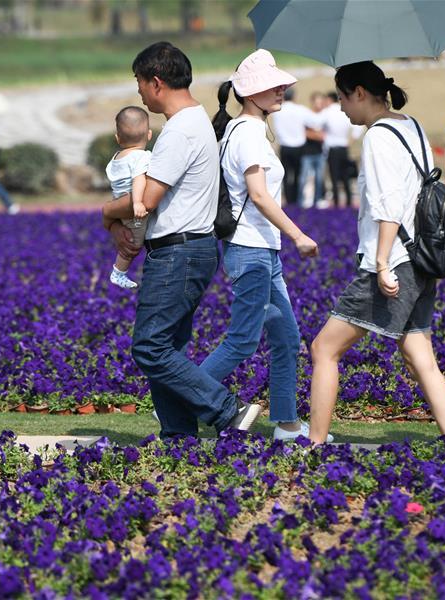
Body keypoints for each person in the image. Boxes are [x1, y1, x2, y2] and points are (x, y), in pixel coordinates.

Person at [306, 61, 445, 459]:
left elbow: (389, 207)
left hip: (394, 260)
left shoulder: (377, 136)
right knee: (420, 357)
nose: (341, 108)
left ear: (359, 92)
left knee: (324, 349)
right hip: (423, 259)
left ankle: (314, 445)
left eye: (342, 98)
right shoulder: (409, 124)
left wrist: (379, 264)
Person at [102, 41, 260, 438]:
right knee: (167, 349)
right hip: (188, 250)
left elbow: (148, 198)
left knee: (149, 348)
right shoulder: (193, 122)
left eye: (139, 83)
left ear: (156, 82)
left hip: (179, 252)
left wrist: (106, 213)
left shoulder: (180, 130)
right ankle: (178, 438)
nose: (138, 92)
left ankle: (228, 411)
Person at [204, 49, 330, 442]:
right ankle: (177, 394)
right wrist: (298, 235)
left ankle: (287, 423)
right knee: (243, 340)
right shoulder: (248, 135)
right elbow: (259, 196)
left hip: (260, 250)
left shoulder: (244, 132)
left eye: (281, 85)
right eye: (272, 87)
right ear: (250, 94)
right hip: (251, 250)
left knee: (287, 338)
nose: (281, 91)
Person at [105, 106, 152, 289]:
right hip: (134, 210)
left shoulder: (115, 159)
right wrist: (138, 202)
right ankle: (119, 272)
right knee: (134, 243)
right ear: (149, 135)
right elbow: (138, 179)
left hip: (119, 206)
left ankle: (119, 271)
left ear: (118, 138)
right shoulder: (142, 157)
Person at [272, 88, 316, 205]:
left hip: (284, 146)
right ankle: (296, 199)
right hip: (299, 147)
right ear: (294, 97)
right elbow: (314, 122)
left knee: (285, 175)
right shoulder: (300, 109)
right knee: (298, 174)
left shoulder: (278, 110)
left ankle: (288, 199)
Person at [321, 91, 363, 208]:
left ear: (329, 100)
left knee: (334, 177)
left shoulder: (327, 112)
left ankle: (336, 202)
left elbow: (316, 123)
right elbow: (358, 129)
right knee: (345, 176)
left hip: (332, 149)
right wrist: (350, 141)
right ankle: (349, 202)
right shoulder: (343, 112)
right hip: (344, 147)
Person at [298, 92, 327, 208]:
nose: (319, 105)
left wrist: (314, 132)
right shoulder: (307, 115)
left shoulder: (325, 116)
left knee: (319, 179)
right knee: (303, 178)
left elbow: (324, 135)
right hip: (307, 153)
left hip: (320, 152)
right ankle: (300, 201)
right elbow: (305, 133)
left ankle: (317, 200)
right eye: (317, 102)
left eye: (321, 102)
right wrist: (317, 134)